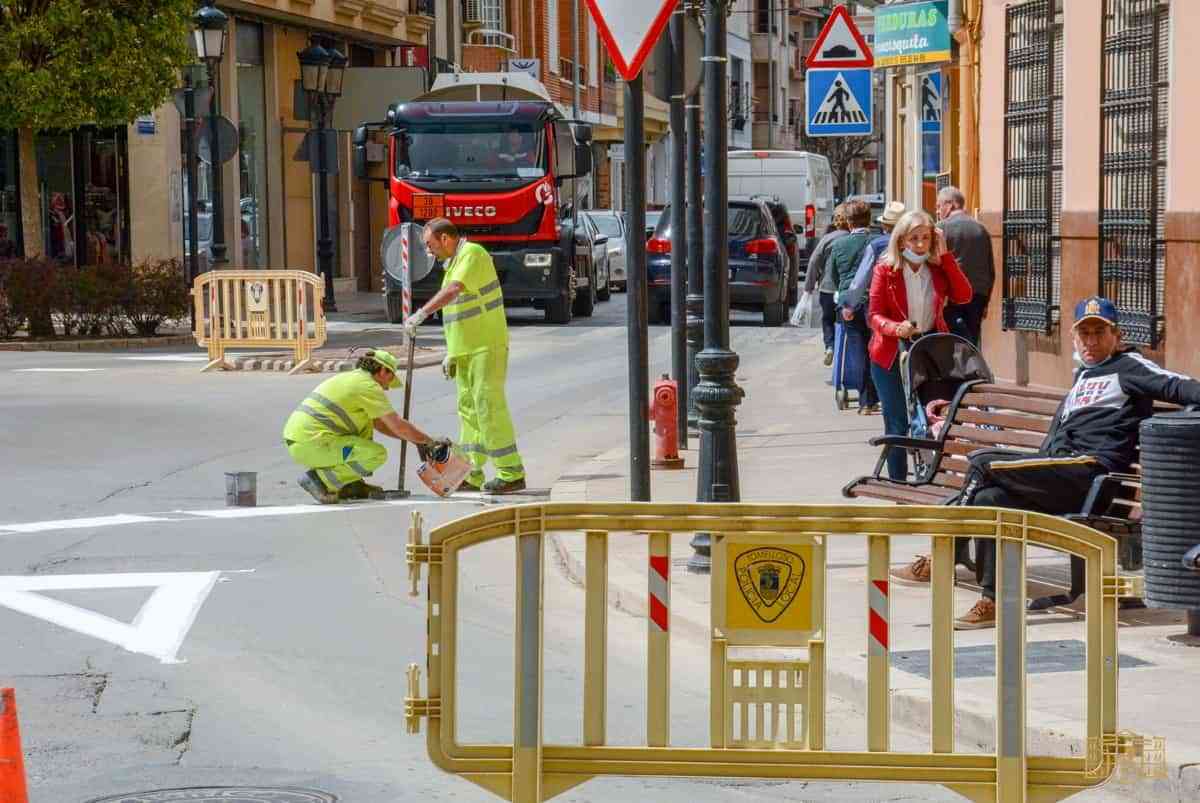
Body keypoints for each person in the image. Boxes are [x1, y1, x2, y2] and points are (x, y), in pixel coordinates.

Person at [948, 297, 1200, 629]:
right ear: (1074, 338)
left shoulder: (1129, 367)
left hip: (1088, 476)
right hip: (1057, 472)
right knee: (988, 499)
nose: (1091, 341)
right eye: (1084, 334)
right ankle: (992, 600)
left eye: (1099, 332)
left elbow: (1182, 387)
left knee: (982, 462)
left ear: (1116, 335)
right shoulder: (1083, 376)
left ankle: (942, 555)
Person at [405, 218, 527, 494]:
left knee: (488, 408)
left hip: (486, 346)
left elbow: (453, 292)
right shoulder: (453, 265)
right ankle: (471, 473)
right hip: (466, 352)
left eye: (430, 245)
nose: (429, 251)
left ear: (446, 239)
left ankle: (511, 472)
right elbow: (458, 317)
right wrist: (452, 352)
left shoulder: (473, 254)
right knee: (469, 413)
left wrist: (422, 313)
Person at [867, 210, 973, 483]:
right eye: (914, 239)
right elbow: (874, 315)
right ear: (901, 241)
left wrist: (946, 255)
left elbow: (964, 295)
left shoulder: (937, 269)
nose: (920, 245)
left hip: (927, 351)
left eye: (926, 238)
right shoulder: (885, 270)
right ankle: (899, 483)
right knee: (898, 423)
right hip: (891, 353)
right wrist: (895, 328)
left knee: (931, 419)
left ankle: (931, 478)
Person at [283, 348, 447, 504]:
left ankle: (351, 484)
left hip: (306, 441)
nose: (387, 387)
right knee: (376, 454)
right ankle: (319, 480)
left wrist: (415, 440)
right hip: (313, 443)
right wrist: (428, 441)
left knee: (366, 424)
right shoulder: (368, 386)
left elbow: (381, 425)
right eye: (390, 379)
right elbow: (396, 423)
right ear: (383, 370)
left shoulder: (353, 378)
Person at [828, 200, 879, 412]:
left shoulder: (838, 245)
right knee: (876, 350)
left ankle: (865, 399)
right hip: (874, 301)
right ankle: (873, 396)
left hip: (849, 302)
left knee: (857, 351)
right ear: (869, 219)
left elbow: (833, 275)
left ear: (849, 222)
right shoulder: (877, 242)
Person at [936, 186, 994, 347]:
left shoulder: (941, 228)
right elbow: (990, 268)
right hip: (978, 293)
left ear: (950, 204)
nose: (938, 210)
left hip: (952, 296)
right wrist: (986, 301)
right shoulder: (981, 228)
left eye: (939, 206)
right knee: (972, 340)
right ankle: (972, 370)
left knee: (953, 341)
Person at [841, 200, 905, 313]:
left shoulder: (876, 246)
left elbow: (862, 278)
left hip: (883, 304)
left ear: (884, 225)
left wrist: (849, 305)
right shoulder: (915, 244)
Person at [805, 205, 848, 365]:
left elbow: (813, 261)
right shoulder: (852, 237)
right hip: (846, 290)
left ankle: (830, 346)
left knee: (827, 320)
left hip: (827, 287)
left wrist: (808, 287)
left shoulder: (827, 239)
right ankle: (844, 351)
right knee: (846, 322)